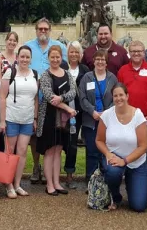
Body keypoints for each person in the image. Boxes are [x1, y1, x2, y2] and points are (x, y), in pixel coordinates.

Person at [24, 18, 67, 184]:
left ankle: (54, 174)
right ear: (36, 30)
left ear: (50, 30)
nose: (43, 32)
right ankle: (36, 166)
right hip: (34, 99)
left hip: (55, 101)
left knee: (55, 136)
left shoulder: (60, 47)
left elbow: (65, 71)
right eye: (40, 29)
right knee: (35, 135)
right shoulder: (28, 46)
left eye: (45, 29)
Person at [116, 40, 147, 197]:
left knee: (146, 152)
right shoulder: (123, 70)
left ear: (144, 52)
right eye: (133, 51)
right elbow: (120, 93)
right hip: (128, 118)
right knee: (127, 149)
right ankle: (130, 182)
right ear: (129, 53)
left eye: (139, 51)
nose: (136, 53)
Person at [96, 84, 147, 212]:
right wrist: (108, 154)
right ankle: (116, 196)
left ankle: (131, 184)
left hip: (136, 162)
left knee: (139, 206)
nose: (118, 98)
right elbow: (99, 140)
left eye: (121, 95)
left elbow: (143, 146)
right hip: (114, 157)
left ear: (127, 96)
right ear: (112, 98)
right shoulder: (107, 115)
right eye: (115, 96)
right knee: (113, 172)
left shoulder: (138, 115)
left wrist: (125, 161)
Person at [0, 45, 39, 198]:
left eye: (27, 57)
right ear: (17, 57)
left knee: (22, 152)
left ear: (30, 59)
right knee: (9, 151)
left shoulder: (35, 74)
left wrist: (35, 118)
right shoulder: (10, 72)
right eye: (22, 56)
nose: (24, 59)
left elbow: (35, 99)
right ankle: (8, 184)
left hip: (27, 119)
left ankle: (17, 183)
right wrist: (2, 121)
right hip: (12, 117)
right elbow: (2, 96)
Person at [37, 45, 78, 195]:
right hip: (48, 116)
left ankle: (56, 181)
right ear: (48, 58)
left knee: (59, 150)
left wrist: (61, 97)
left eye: (57, 57)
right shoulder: (45, 75)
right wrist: (67, 108)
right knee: (50, 151)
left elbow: (73, 92)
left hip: (63, 120)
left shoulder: (67, 74)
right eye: (52, 57)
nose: (55, 59)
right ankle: (49, 184)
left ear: (62, 58)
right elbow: (49, 97)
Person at [78, 49, 117, 181]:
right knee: (92, 152)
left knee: (105, 152)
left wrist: (106, 113)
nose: (100, 62)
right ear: (93, 61)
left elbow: (116, 99)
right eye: (98, 59)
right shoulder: (87, 77)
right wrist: (92, 111)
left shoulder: (112, 78)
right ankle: (91, 181)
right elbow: (82, 97)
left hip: (108, 122)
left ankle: (106, 180)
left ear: (107, 63)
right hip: (90, 120)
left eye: (103, 60)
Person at [64, 41, 89, 188]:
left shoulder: (85, 70)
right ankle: (62, 174)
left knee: (74, 144)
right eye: (71, 52)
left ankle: (73, 175)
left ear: (80, 55)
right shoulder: (62, 67)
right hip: (63, 112)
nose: (73, 54)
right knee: (65, 144)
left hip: (80, 112)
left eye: (76, 52)